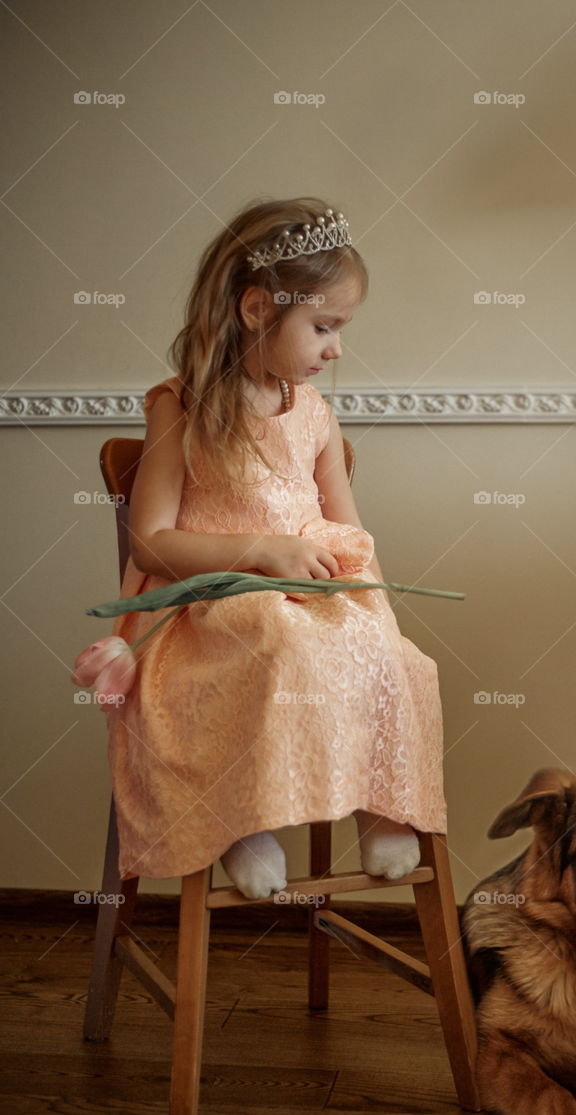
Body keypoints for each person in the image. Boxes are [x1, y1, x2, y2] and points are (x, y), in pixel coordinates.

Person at [105, 197, 446, 899]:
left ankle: (380, 803)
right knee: (275, 636)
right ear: (257, 309)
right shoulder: (182, 405)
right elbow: (151, 543)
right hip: (208, 608)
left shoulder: (315, 414)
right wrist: (261, 550)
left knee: (400, 658)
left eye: (340, 329)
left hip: (312, 599)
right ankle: (238, 818)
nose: (336, 349)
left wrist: (377, 613)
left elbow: (352, 535)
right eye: (323, 327)